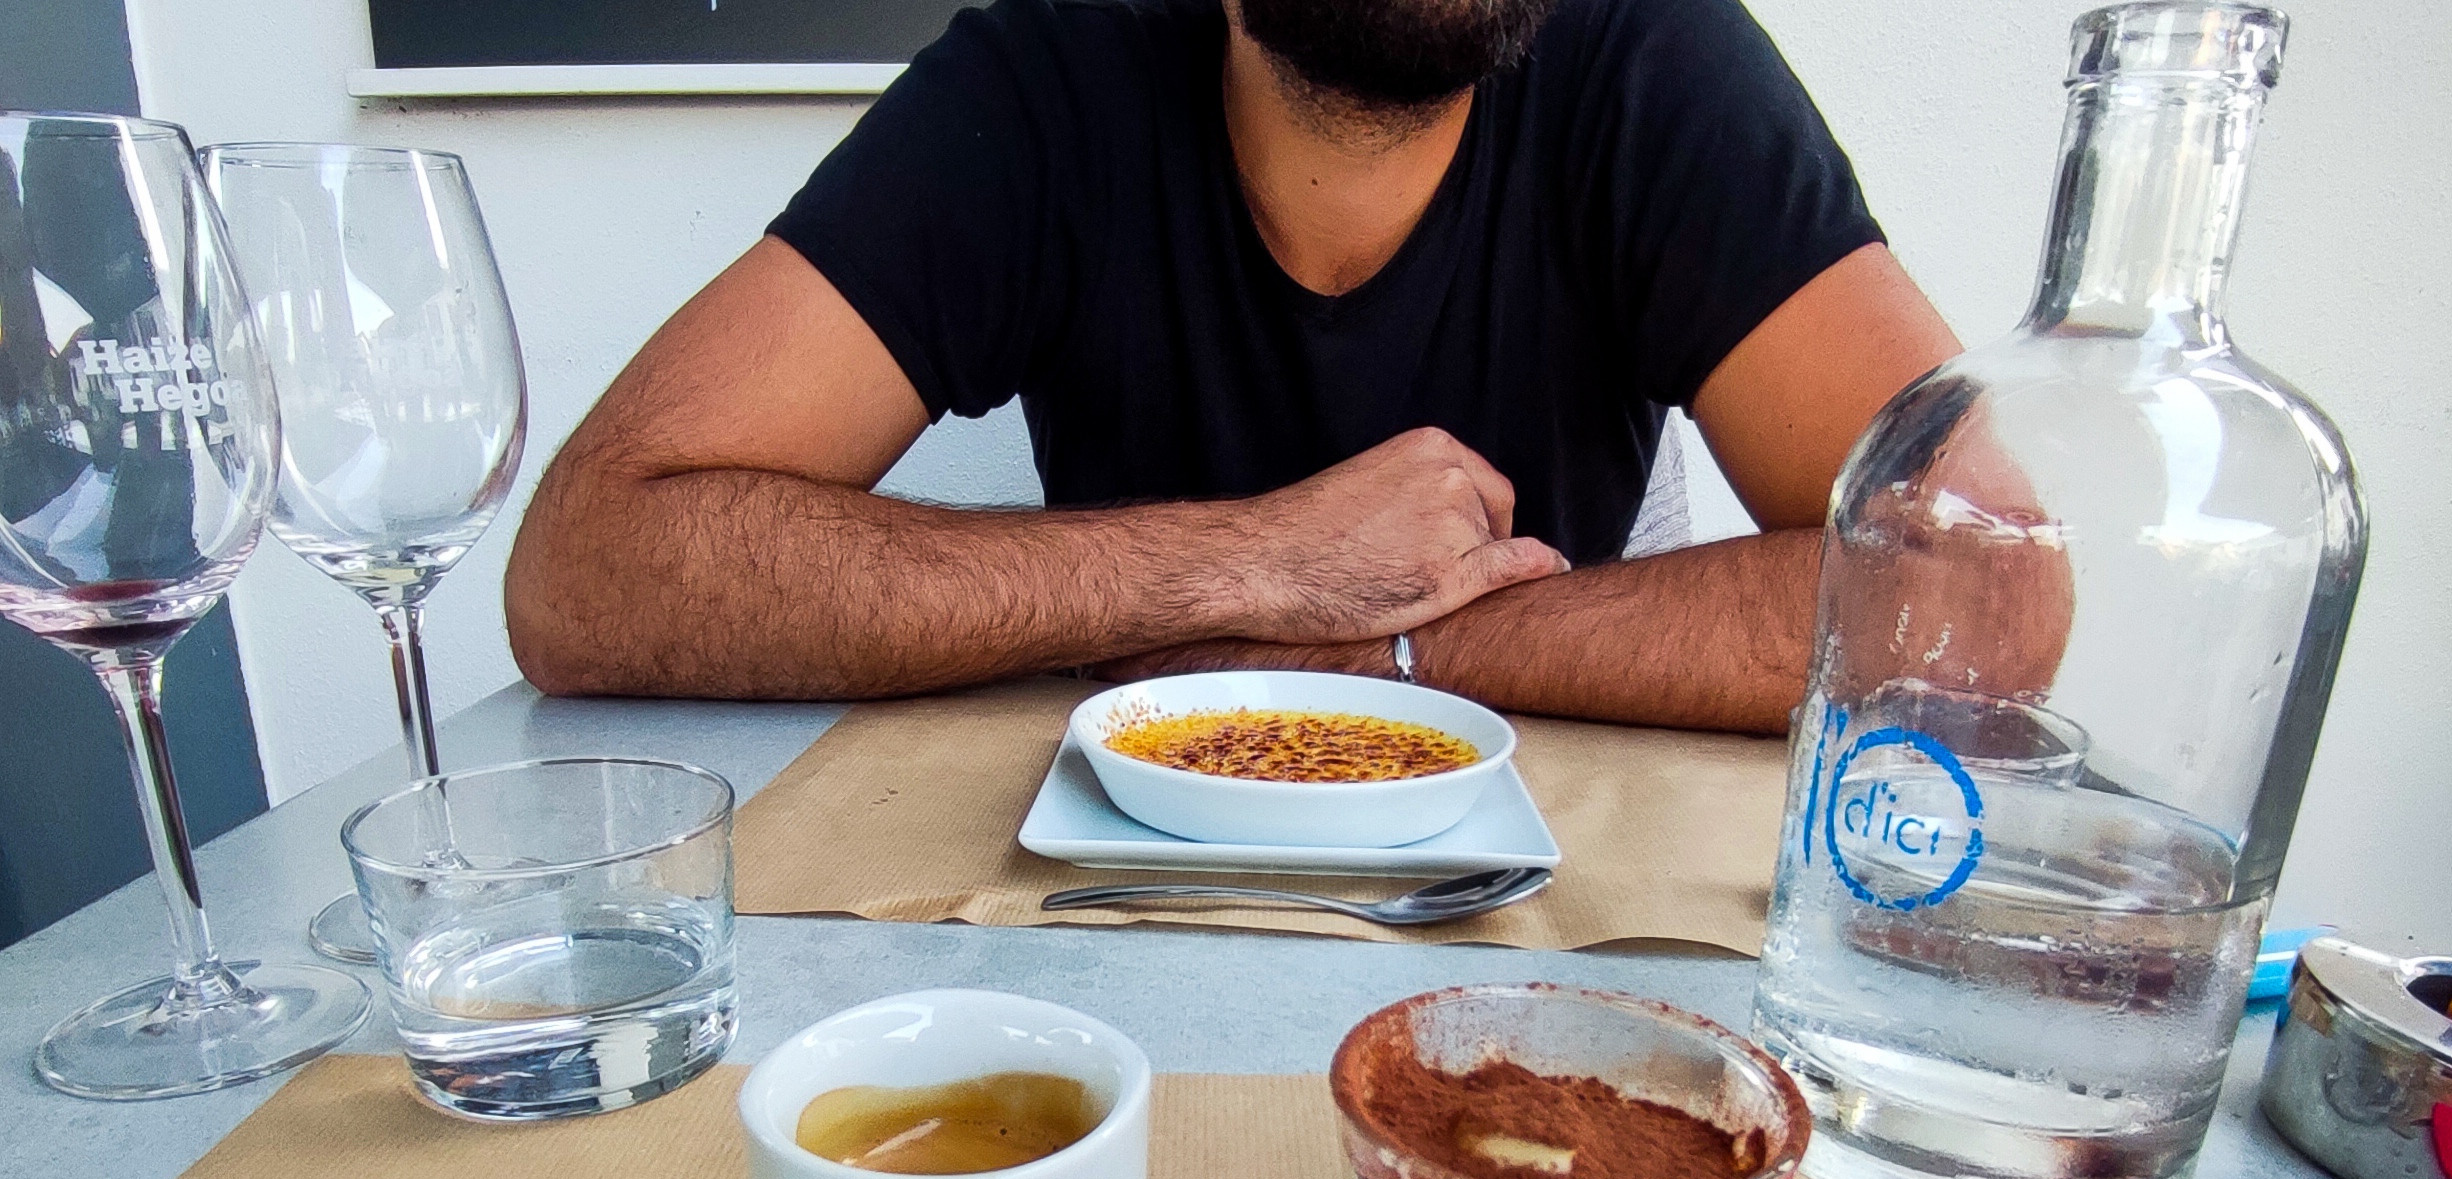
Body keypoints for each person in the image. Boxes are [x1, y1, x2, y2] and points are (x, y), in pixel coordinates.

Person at [505, 0, 1961, 732]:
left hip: (1546, 888)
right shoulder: (1049, 77)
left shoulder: (1657, 63)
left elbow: (1975, 582)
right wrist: (1254, 560)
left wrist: (1378, 653)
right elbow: (591, 566)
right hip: (1106, 894)